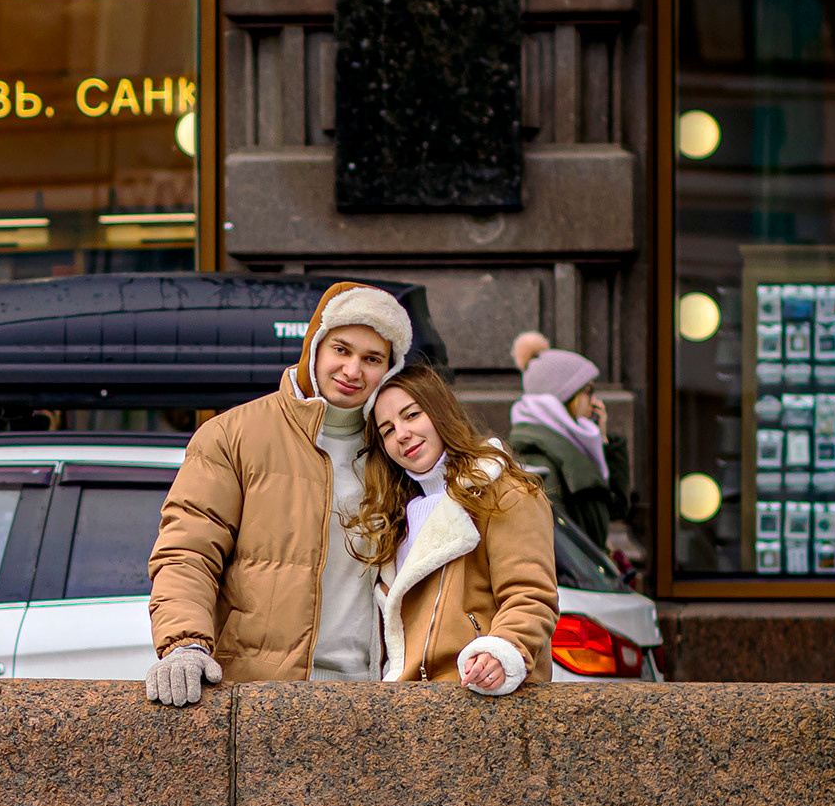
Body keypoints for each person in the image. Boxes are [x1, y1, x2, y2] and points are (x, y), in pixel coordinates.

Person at [145, 282, 415, 706]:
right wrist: (184, 643)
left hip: (375, 695)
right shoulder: (232, 435)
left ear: (391, 369)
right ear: (315, 347)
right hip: (261, 695)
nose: (352, 370)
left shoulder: (400, 449)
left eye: (372, 358)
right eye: (341, 350)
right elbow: (187, 552)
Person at [354, 367, 559, 695]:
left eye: (412, 415)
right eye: (388, 430)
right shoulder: (394, 518)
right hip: (407, 705)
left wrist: (500, 651)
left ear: (441, 413)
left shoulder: (503, 492)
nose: (402, 434)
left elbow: (530, 594)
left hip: (478, 698)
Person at [506, 331, 629, 553]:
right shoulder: (537, 458)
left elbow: (616, 509)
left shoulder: (572, 447)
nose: (595, 403)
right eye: (588, 391)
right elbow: (557, 548)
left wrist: (604, 441)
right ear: (564, 396)